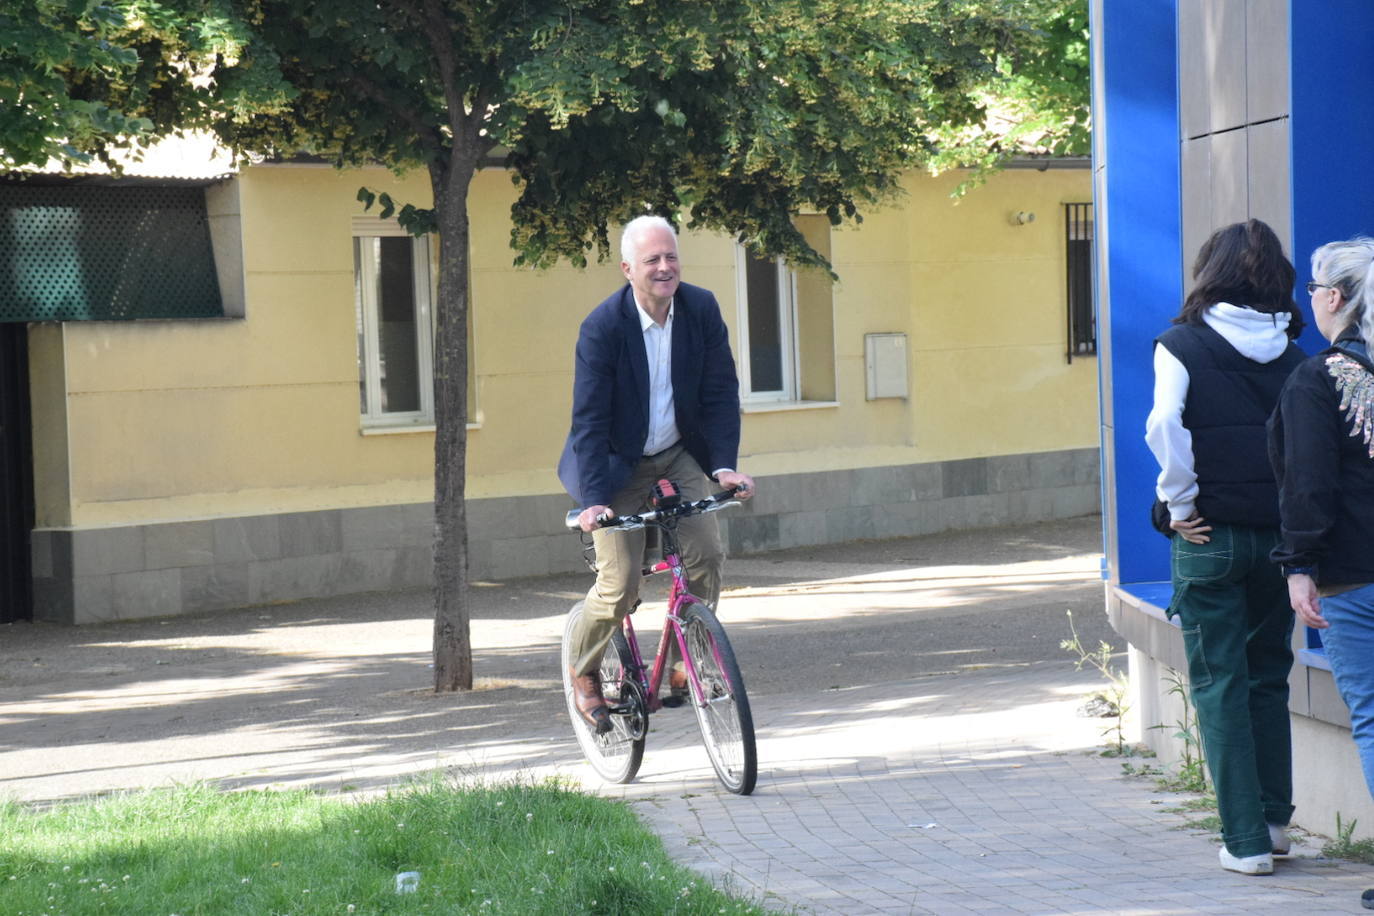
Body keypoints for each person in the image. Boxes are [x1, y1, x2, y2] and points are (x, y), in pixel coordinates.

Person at [1144, 218, 1306, 876]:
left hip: (1209, 537)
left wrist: (1178, 506)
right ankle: (1273, 826)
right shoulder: (1298, 356)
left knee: (1219, 685)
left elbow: (1163, 422)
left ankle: (1243, 844)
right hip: (1278, 542)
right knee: (1268, 679)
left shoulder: (1180, 343)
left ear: (1211, 272)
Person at [558, 214, 755, 733]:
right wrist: (596, 499)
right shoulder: (603, 328)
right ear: (628, 269)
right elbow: (590, 421)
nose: (665, 267)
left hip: (676, 453)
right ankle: (584, 673)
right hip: (615, 464)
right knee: (620, 584)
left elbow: (718, 394)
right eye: (652, 260)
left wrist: (724, 466)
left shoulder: (701, 308)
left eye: (671, 257)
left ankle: (681, 664)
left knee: (707, 554)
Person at [1270, 238, 1374, 905]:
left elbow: (1308, 485)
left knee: (1372, 716)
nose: (1309, 301)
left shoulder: (1320, 378)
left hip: (1354, 576)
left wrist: (1298, 567)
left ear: (1334, 298)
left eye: (1312, 290)